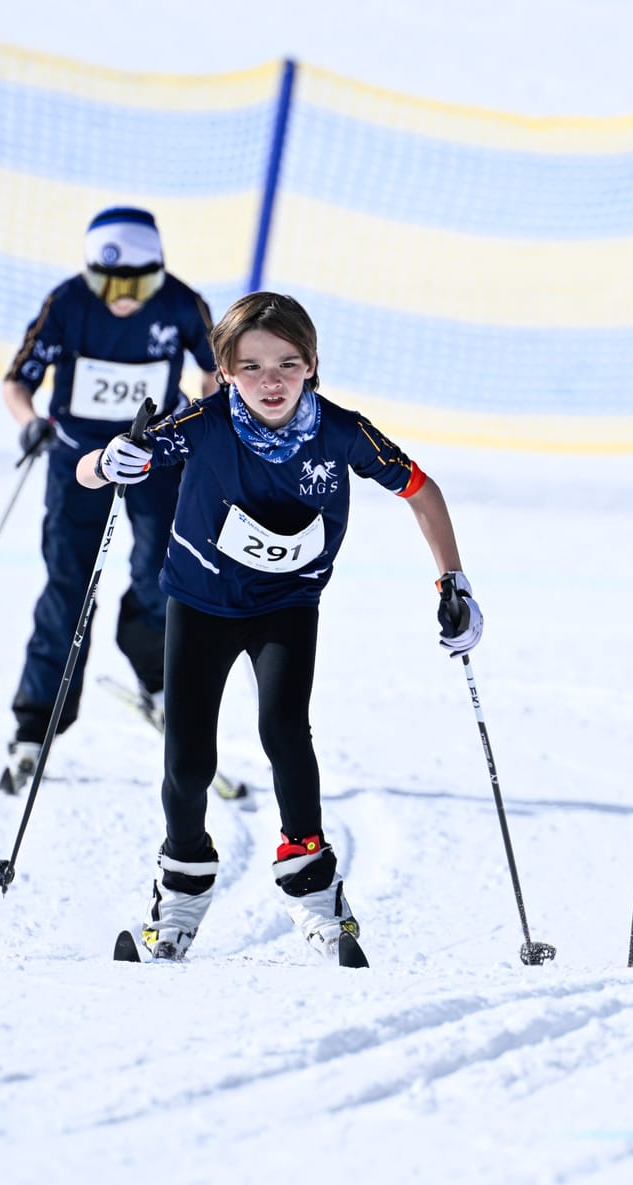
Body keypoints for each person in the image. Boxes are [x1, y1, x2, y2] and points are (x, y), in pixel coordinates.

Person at [78, 292, 480, 964]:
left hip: (287, 603)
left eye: (288, 364)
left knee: (285, 730)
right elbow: (104, 468)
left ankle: (313, 886)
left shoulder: (342, 431)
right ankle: (180, 887)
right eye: (253, 364)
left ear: (312, 366)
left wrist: (453, 580)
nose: (272, 380)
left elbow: (420, 489)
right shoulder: (203, 423)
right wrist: (109, 458)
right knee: (188, 756)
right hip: (202, 601)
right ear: (226, 370)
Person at [0, 206, 217, 794]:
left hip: (156, 456)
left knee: (160, 573)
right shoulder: (68, 303)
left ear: (158, 273)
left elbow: (214, 370)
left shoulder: (182, 304)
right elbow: (18, 380)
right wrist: (29, 423)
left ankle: (157, 678)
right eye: (107, 283)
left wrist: (210, 416)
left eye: (135, 285)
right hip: (77, 461)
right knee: (67, 584)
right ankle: (35, 721)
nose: (120, 298)